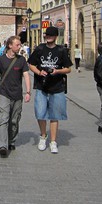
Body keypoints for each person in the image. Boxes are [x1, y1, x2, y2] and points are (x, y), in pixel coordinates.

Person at [27, 26, 72, 154]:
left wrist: (57, 71)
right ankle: (43, 136)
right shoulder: (40, 49)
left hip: (57, 87)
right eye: (47, 35)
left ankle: (53, 141)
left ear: (56, 37)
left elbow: (68, 69)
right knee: (40, 113)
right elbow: (31, 64)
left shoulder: (61, 50)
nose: (48, 37)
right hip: (42, 86)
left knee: (55, 115)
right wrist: (38, 72)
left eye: (51, 35)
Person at [0, 35, 31, 157]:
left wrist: (28, 92)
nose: (20, 46)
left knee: (14, 120)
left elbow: (26, 75)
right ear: (10, 46)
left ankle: (11, 140)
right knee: (3, 119)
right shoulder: (1, 60)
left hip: (17, 95)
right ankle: (2, 145)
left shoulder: (21, 60)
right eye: (17, 44)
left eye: (20, 44)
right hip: (4, 94)